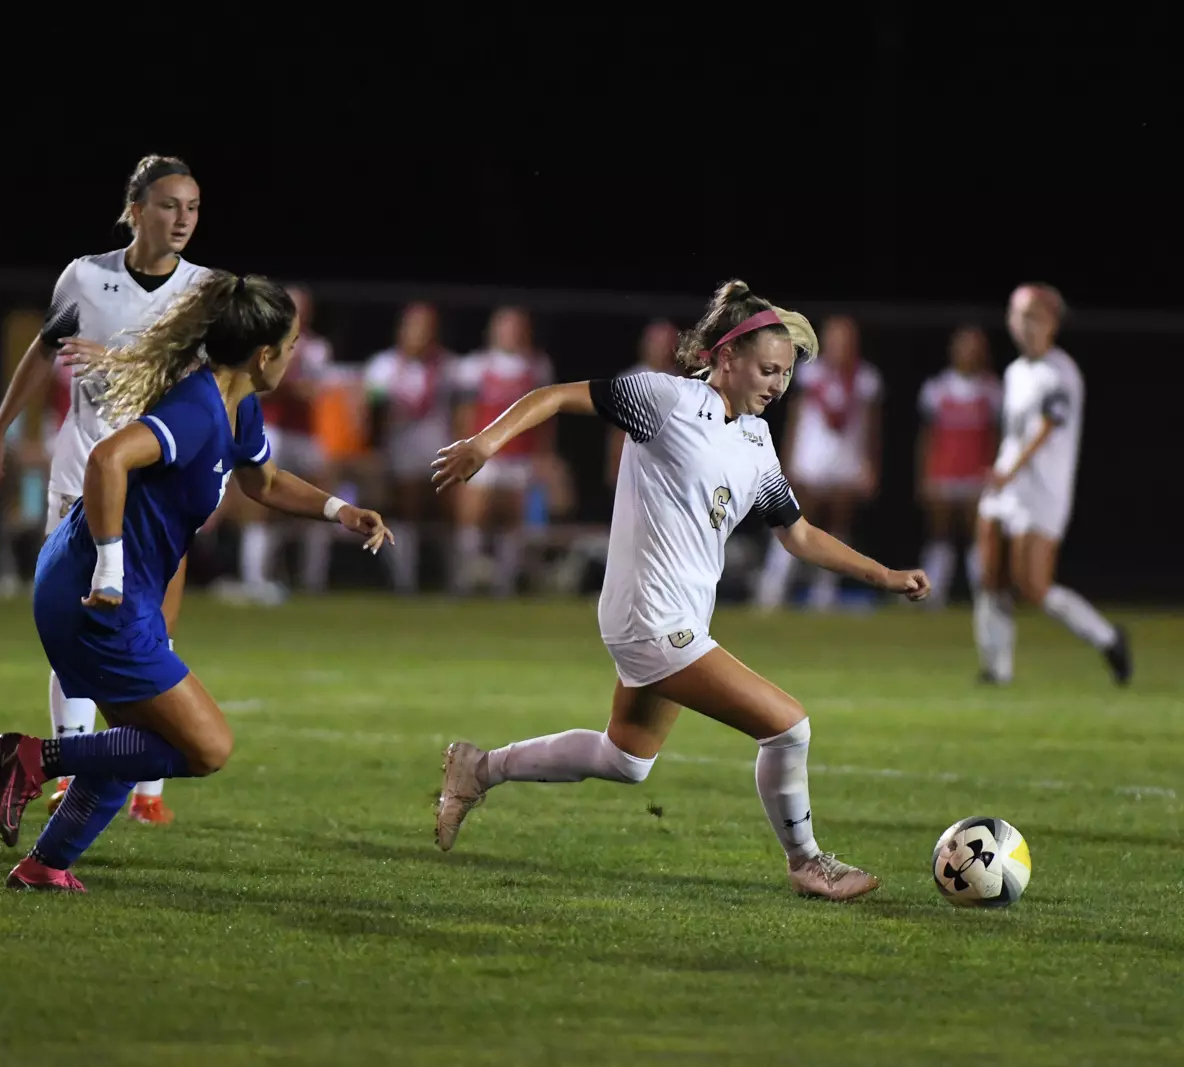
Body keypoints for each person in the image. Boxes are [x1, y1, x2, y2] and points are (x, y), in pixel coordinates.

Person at [430, 280, 930, 902]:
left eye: (786, 375)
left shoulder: (756, 440)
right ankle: (807, 863)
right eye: (768, 370)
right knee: (788, 728)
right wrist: (484, 442)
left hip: (682, 618)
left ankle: (477, 768)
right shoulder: (664, 400)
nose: (779, 386)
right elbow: (554, 396)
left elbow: (798, 535)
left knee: (625, 760)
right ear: (727, 357)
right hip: (650, 618)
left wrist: (883, 575)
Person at [0, 272, 393, 892]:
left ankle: (47, 865)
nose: (295, 355)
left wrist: (341, 511)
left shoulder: (237, 402)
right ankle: (37, 757)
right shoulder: (198, 408)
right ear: (263, 355)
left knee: (137, 741)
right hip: (97, 594)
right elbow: (107, 459)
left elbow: (263, 481)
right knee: (208, 748)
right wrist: (110, 568)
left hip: (112, 594)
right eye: (291, 345)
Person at [0, 154, 209, 824]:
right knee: (79, 626)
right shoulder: (84, 276)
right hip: (81, 472)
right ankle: (68, 771)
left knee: (154, 630)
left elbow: (201, 385)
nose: (183, 219)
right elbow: (44, 350)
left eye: (193, 207)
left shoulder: (204, 291)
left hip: (159, 482)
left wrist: (119, 362)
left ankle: (147, 791)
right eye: (169, 205)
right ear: (135, 211)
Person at [974, 283, 1130, 685]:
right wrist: (1001, 469)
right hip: (1006, 482)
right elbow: (1014, 432)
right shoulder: (1015, 371)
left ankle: (1108, 638)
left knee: (1033, 587)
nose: (1023, 324)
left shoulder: (1061, 372)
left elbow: (1045, 429)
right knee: (989, 575)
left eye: (1033, 316)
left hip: (1042, 491)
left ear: (1052, 323)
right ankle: (996, 669)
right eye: (1017, 315)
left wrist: (1010, 470)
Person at [753, 315, 882, 611]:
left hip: (847, 460)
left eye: (846, 340)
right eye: (836, 339)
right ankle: (774, 585)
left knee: (838, 525)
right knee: (792, 521)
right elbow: (795, 418)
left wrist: (871, 465)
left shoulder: (866, 378)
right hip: (811, 459)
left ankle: (824, 590)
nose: (841, 346)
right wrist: (785, 461)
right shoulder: (809, 373)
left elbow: (873, 428)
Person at [224, 283, 336, 600]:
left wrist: (282, 385)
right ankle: (254, 579)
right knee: (261, 503)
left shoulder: (317, 348)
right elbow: (258, 387)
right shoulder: (261, 342)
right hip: (270, 428)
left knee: (319, 500)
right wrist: (286, 387)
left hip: (305, 433)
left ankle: (313, 579)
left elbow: (313, 392)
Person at [447, 306, 555, 597]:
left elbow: (545, 418)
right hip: (484, 455)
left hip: (520, 456)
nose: (511, 333)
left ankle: (504, 584)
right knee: (472, 515)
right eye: (505, 327)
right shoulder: (475, 366)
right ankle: (465, 577)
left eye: (516, 327)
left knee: (513, 519)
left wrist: (544, 456)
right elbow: (465, 415)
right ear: (494, 330)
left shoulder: (538, 367)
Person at [362, 302, 456, 593]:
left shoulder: (448, 366)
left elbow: (463, 411)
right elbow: (372, 414)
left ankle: (455, 579)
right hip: (401, 448)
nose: (421, 334)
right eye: (415, 327)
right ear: (402, 330)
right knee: (406, 509)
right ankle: (405, 579)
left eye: (427, 328)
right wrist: (374, 451)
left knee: (451, 512)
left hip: (441, 447)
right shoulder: (383, 366)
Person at [915, 325, 1001, 608]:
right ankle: (932, 593)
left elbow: (997, 436)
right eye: (964, 347)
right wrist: (924, 475)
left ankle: (985, 593)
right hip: (943, 473)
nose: (969, 354)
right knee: (940, 534)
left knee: (978, 536)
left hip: (977, 475)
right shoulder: (937, 389)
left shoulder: (992, 390)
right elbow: (927, 437)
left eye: (975, 348)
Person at [605, 318, 679, 485]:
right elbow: (618, 433)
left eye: (667, 343)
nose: (662, 349)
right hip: (635, 469)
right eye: (657, 343)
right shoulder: (628, 381)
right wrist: (615, 470)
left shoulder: (681, 383)